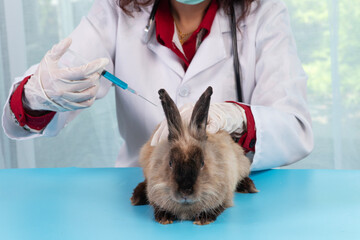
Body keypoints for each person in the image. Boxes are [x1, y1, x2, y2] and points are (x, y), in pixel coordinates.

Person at [2, 0, 313, 170]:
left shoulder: (263, 12)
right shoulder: (117, 10)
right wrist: (37, 94)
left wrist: (236, 118)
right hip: (144, 194)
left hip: (233, 196)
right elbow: (62, 72)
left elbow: (294, 128)